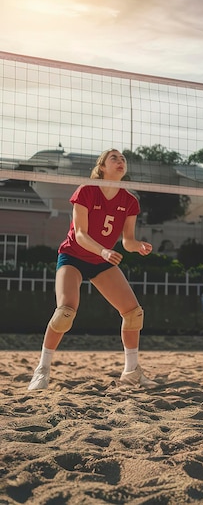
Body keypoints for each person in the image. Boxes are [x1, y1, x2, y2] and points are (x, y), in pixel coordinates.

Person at [28, 149, 156, 390]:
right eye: (114, 158)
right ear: (102, 167)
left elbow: (127, 241)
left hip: (101, 261)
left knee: (133, 313)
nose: (120, 161)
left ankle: (131, 372)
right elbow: (80, 234)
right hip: (74, 256)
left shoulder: (130, 201)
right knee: (65, 312)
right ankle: (42, 369)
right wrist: (105, 251)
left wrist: (137, 246)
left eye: (123, 159)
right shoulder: (86, 191)